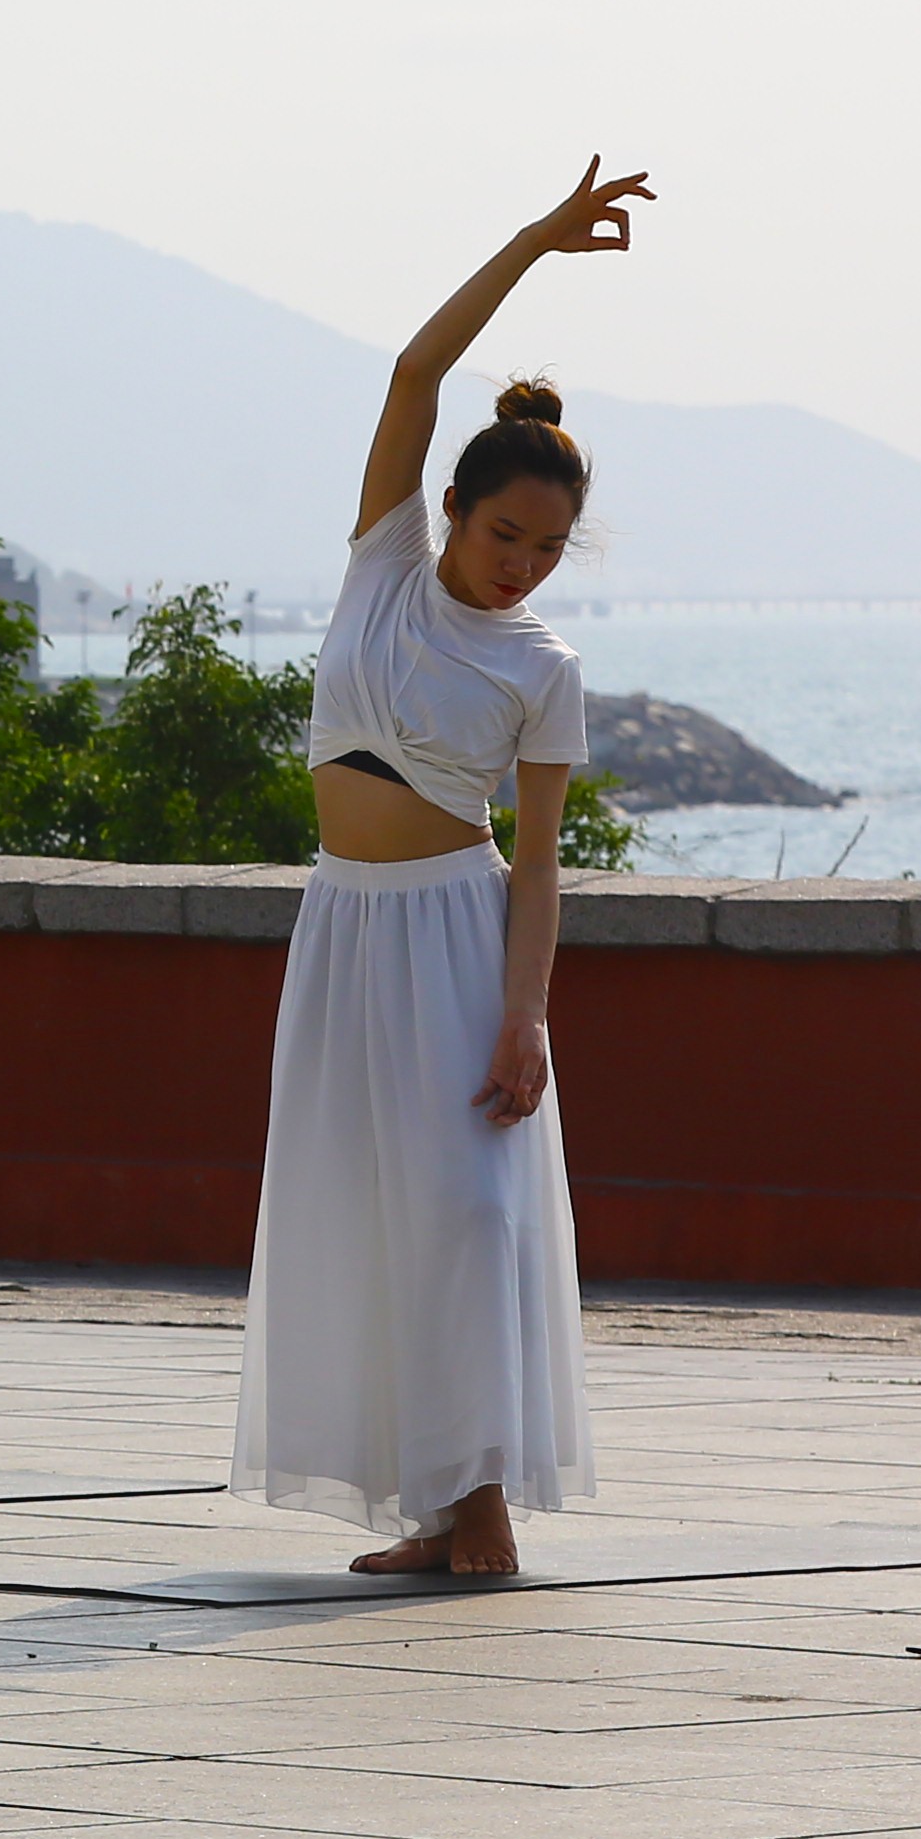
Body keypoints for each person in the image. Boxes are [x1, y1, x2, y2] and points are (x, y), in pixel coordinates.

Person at [235, 161, 651, 1578]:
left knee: (468, 1212)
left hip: (459, 935)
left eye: (547, 547)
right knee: (371, 1215)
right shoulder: (384, 569)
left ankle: (483, 1506)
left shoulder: (546, 666)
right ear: (454, 510)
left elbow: (542, 867)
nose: (523, 565)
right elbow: (418, 368)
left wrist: (527, 1014)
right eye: (503, 534)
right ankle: (432, 1503)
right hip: (345, 927)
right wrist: (536, 240)